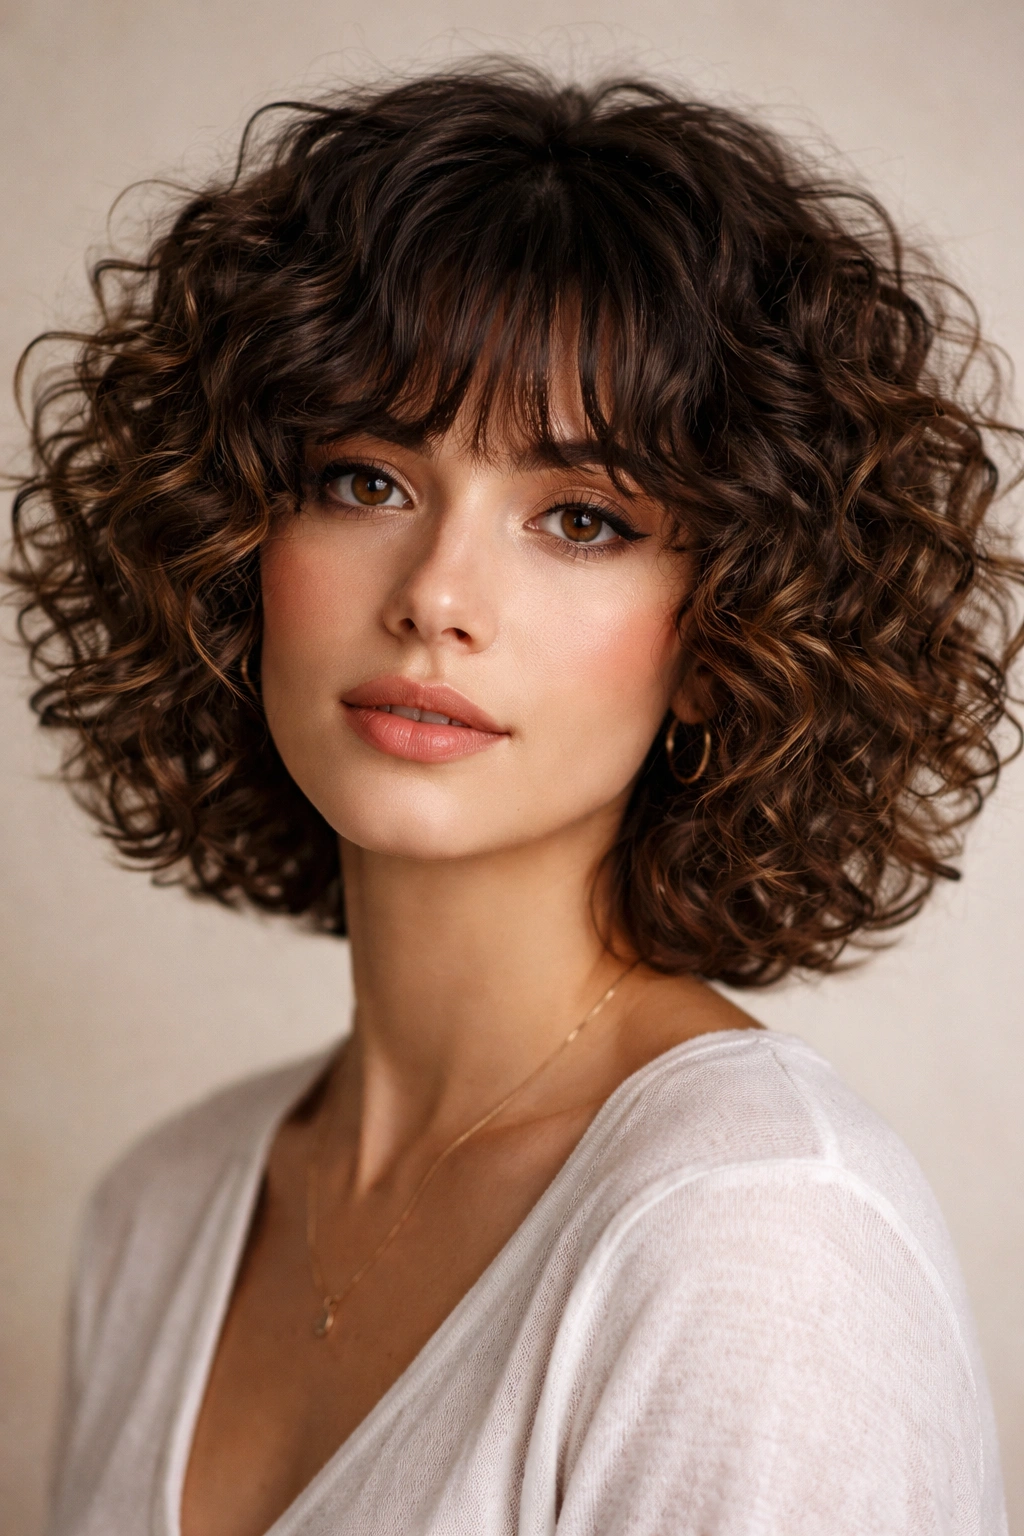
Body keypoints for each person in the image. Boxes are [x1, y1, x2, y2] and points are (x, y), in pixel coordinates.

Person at [10, 63, 1021, 1536]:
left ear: (734, 622)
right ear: (234, 545)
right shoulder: (160, 1212)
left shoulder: (758, 1233)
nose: (436, 599)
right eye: (364, 480)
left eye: (582, 518)